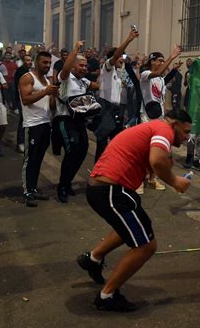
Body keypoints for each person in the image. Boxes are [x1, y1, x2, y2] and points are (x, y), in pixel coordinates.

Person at [76, 109, 192, 311]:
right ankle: (106, 296)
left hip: (110, 189)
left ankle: (93, 258)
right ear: (174, 124)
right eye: (186, 131)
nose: (187, 136)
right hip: (112, 191)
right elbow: (156, 160)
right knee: (146, 246)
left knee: (136, 227)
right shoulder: (164, 129)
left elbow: (155, 160)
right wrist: (175, 181)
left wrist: (167, 166)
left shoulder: (153, 128)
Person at [55, 41, 100, 202]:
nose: (84, 68)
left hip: (79, 120)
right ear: (73, 66)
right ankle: (62, 186)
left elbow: (96, 85)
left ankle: (67, 183)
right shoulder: (65, 77)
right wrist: (76, 49)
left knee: (82, 151)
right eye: (81, 66)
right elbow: (65, 68)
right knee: (71, 152)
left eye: (85, 66)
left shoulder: (82, 81)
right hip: (65, 119)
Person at [138, 46, 182, 193]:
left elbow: (162, 79)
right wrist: (171, 56)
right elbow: (157, 72)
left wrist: (174, 69)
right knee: (144, 150)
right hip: (146, 117)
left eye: (163, 60)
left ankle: (152, 178)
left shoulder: (161, 79)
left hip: (159, 118)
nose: (162, 63)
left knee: (156, 150)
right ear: (152, 61)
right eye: (159, 60)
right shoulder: (145, 74)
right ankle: (139, 180)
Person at [18, 52, 57, 207]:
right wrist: (45, 91)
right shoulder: (28, 78)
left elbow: (51, 106)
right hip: (32, 124)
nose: (47, 65)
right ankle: (27, 192)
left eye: (49, 63)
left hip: (45, 123)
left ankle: (33, 188)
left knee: (38, 159)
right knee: (30, 159)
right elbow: (26, 100)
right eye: (44, 62)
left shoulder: (47, 80)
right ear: (36, 62)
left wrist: (53, 94)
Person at [94, 28, 139, 161]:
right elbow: (114, 57)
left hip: (116, 110)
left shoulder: (119, 73)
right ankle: (97, 176)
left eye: (123, 57)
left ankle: (111, 172)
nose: (122, 59)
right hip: (105, 110)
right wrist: (129, 39)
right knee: (102, 145)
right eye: (120, 56)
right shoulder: (107, 68)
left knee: (116, 144)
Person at [13, 54, 33, 153]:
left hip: (27, 99)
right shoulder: (21, 71)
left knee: (25, 120)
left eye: (31, 60)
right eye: (27, 60)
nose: (30, 62)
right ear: (23, 61)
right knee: (23, 120)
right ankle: (20, 142)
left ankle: (24, 142)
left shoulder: (28, 70)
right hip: (21, 99)